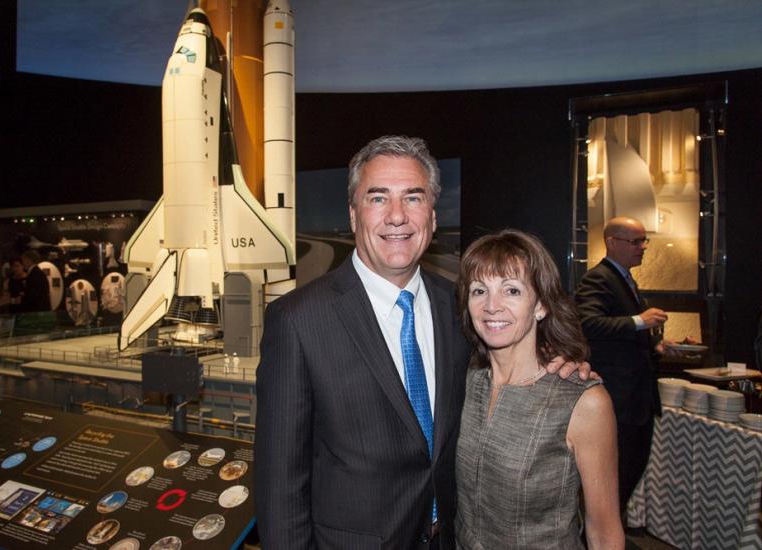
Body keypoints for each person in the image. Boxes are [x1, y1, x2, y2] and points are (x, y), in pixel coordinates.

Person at [255, 135, 590, 549]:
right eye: (378, 198)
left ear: (432, 217)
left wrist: (558, 368)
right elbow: (279, 485)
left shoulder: (462, 308)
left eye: (413, 198)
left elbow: (510, 364)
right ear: (354, 214)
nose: (397, 216)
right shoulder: (298, 320)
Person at [455, 230, 623, 549]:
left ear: (541, 305)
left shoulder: (582, 401)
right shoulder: (467, 382)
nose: (492, 306)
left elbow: (604, 531)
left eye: (512, 291)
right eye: (479, 290)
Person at [574, 216, 680, 512]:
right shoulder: (599, 278)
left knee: (628, 474)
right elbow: (587, 323)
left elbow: (621, 340)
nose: (643, 247)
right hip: (618, 401)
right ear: (611, 242)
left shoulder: (624, 279)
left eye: (644, 241)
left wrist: (655, 347)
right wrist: (639, 321)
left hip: (636, 401)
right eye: (635, 241)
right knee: (613, 480)